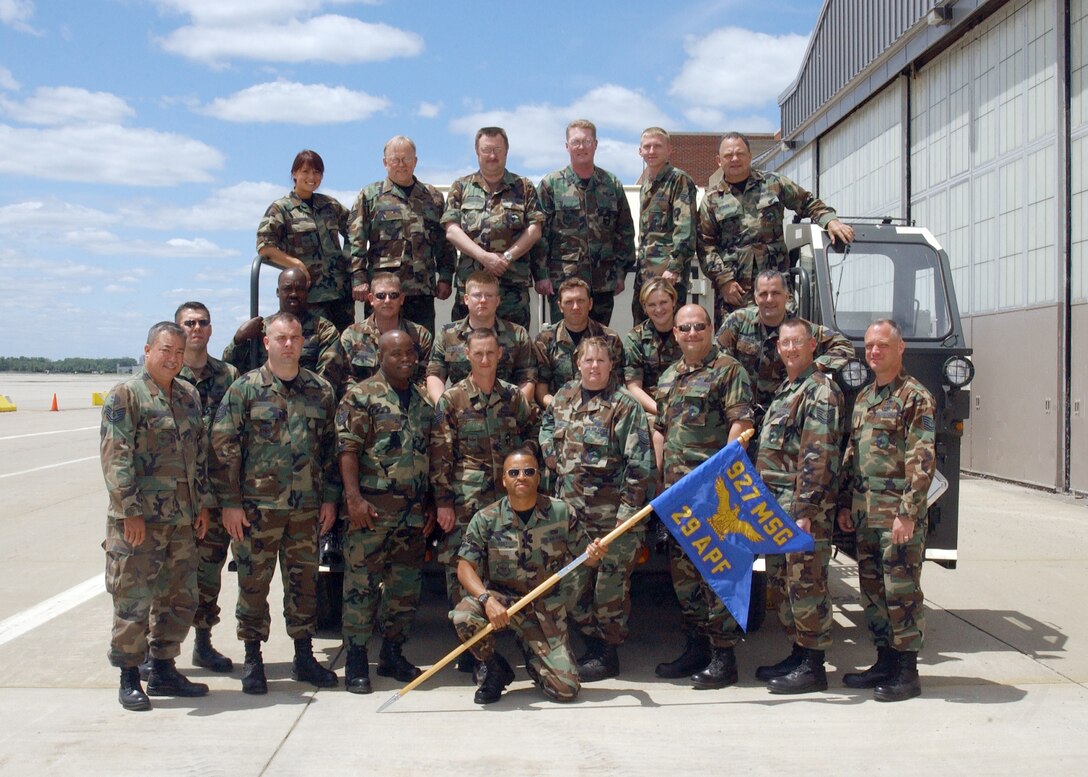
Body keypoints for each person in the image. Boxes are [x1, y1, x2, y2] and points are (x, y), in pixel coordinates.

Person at [211, 312, 341, 694]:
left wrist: (330, 499)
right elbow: (223, 447)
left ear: (303, 343)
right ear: (266, 342)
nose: (288, 344)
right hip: (255, 511)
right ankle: (253, 658)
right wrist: (230, 503)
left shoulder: (321, 391)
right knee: (253, 585)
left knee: (304, 585)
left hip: (305, 510)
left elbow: (332, 451)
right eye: (280, 338)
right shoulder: (245, 389)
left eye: (295, 338)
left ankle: (304, 656)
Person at [100, 321, 211, 711]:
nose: (173, 359)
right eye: (166, 350)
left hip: (181, 520)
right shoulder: (126, 396)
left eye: (179, 353)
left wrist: (201, 507)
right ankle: (130, 676)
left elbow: (198, 458)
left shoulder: (188, 396)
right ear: (147, 351)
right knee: (133, 600)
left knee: (180, 598)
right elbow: (117, 459)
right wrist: (130, 512)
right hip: (140, 524)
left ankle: (164, 668)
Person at [450, 447, 607, 704]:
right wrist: (486, 600)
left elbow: (586, 558)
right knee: (464, 615)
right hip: (502, 602)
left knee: (566, 689)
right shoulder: (486, 519)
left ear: (538, 477)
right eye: (513, 472)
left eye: (528, 471)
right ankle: (494, 668)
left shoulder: (562, 513)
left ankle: (535, 656)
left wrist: (595, 552)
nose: (521, 477)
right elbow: (464, 567)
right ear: (504, 480)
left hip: (544, 607)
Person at [540, 338, 655, 681]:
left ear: (610, 365)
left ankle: (607, 653)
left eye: (600, 361)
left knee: (609, 591)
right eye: (587, 360)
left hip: (612, 521)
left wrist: (623, 523)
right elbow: (547, 428)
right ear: (578, 363)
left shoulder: (624, 406)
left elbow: (639, 468)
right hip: (570, 519)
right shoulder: (563, 398)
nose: (593, 366)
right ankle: (589, 641)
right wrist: (550, 453)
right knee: (571, 588)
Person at [652, 304, 754, 689]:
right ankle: (696, 648)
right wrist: (660, 486)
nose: (692, 333)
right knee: (685, 577)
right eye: (685, 328)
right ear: (674, 334)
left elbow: (740, 428)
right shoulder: (668, 378)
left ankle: (724, 658)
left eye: (699, 326)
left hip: (713, 496)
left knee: (717, 575)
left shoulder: (729, 371)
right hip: (678, 498)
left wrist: (719, 485)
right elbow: (661, 431)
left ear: (711, 329)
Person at [837, 319, 936, 702]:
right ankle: (884, 660)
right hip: (865, 514)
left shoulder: (915, 397)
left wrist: (908, 513)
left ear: (900, 348)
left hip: (897, 514)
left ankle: (907, 671)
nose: (874, 352)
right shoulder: (864, 398)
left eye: (882, 345)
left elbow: (922, 460)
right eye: (869, 346)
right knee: (874, 592)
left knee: (901, 591)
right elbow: (852, 455)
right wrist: (846, 502)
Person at [336, 331, 434, 695]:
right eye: (396, 353)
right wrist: (353, 498)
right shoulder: (361, 396)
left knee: (404, 588)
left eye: (410, 352)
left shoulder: (423, 400)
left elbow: (432, 453)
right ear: (381, 356)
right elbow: (348, 449)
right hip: (371, 511)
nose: (405, 359)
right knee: (360, 587)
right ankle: (357, 658)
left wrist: (430, 503)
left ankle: (392, 653)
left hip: (411, 513)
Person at [753, 319, 844, 694]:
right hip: (777, 507)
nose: (790, 349)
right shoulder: (787, 389)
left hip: (802, 508)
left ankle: (813, 665)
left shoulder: (819, 391)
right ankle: (797, 651)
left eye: (797, 343)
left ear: (811, 347)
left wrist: (805, 509)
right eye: (785, 343)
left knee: (807, 584)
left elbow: (816, 454)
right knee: (783, 583)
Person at [430, 328, 534, 617]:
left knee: (505, 564)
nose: (485, 359)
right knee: (462, 564)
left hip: (508, 499)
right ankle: (468, 644)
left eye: (490, 352)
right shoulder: (451, 400)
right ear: (467, 355)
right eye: (478, 353)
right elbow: (440, 453)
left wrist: (521, 460)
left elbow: (534, 431)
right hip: (466, 500)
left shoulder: (513, 397)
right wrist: (443, 501)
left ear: (500, 353)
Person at [698, 132, 855, 323]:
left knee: (786, 339)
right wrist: (724, 281)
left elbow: (806, 202)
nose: (735, 159)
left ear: (749, 155)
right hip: (736, 292)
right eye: (728, 155)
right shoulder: (711, 200)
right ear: (718, 161)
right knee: (737, 345)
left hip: (776, 286)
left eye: (740, 153)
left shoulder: (774, 183)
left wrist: (830, 221)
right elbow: (705, 246)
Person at [175, 302, 240, 674]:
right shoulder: (167, 372)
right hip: (177, 497)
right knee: (168, 575)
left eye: (202, 323)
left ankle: (202, 643)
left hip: (216, 495)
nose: (196, 328)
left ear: (210, 330)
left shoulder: (228, 375)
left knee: (208, 574)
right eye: (189, 323)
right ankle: (158, 651)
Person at [716, 269, 854, 428]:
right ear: (755, 297)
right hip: (740, 416)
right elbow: (719, 362)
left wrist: (814, 368)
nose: (769, 300)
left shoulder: (799, 328)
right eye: (763, 294)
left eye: (775, 293)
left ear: (787, 296)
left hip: (783, 418)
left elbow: (844, 345)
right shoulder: (737, 322)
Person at [442, 126, 546, 328]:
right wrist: (484, 257)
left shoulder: (523, 186)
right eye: (486, 150)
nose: (492, 156)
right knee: (467, 347)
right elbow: (452, 230)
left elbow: (535, 230)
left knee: (514, 347)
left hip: (512, 286)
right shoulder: (461, 187)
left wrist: (506, 258)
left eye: (497, 150)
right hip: (471, 287)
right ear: (477, 152)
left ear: (506, 151)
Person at [349, 135, 455, 333]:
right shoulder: (370, 195)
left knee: (421, 347)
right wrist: (359, 278)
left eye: (406, 159)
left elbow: (444, 241)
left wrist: (446, 277)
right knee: (380, 344)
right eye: (395, 160)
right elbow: (356, 239)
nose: (401, 165)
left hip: (421, 289)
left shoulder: (433, 197)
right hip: (384, 292)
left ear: (415, 161)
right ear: (385, 162)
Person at [537, 119, 635, 326]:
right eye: (576, 142)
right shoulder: (551, 184)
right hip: (563, 284)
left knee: (600, 343)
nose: (581, 147)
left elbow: (624, 230)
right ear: (567, 146)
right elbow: (539, 234)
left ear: (596, 144)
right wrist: (541, 275)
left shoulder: (611, 184)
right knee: (564, 341)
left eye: (587, 141)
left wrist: (620, 273)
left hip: (603, 282)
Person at [257, 149, 354, 331]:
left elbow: (355, 230)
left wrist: (347, 258)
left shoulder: (330, 205)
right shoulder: (281, 209)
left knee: (344, 349)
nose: (312, 177)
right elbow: (265, 247)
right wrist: (296, 264)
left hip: (340, 294)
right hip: (308, 296)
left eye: (317, 172)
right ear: (294, 173)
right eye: (305, 172)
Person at [632, 127, 718, 323]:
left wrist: (674, 267)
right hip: (645, 274)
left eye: (657, 146)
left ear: (669, 150)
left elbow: (686, 228)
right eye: (647, 147)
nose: (652, 151)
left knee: (670, 328)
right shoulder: (646, 186)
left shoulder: (678, 180)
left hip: (667, 274)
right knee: (642, 328)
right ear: (640, 152)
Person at [223, 267, 345, 390]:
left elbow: (328, 379)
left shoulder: (324, 330)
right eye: (287, 289)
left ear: (307, 292)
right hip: (263, 400)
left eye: (299, 289)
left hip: (308, 401)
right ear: (278, 292)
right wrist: (238, 339)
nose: (293, 294)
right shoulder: (261, 329)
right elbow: (228, 372)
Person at [425, 270, 536, 404]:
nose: (483, 301)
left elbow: (527, 379)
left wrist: (514, 410)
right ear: (466, 299)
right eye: (477, 295)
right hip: (460, 410)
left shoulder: (518, 334)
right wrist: (444, 408)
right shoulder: (448, 334)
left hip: (505, 412)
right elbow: (435, 374)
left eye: (489, 295)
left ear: (498, 300)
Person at [533, 278, 624, 409]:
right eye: (569, 302)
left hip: (601, 413)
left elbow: (616, 388)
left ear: (590, 304)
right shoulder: (545, 340)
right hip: (559, 412)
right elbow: (542, 393)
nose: (575, 307)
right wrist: (565, 410)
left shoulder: (609, 339)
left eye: (581, 301)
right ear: (560, 306)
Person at [340, 272, 432, 391]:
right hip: (364, 404)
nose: (387, 301)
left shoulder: (420, 335)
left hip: (408, 404)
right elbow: (346, 378)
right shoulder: (352, 335)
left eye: (393, 295)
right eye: (381, 295)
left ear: (402, 299)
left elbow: (426, 378)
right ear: (371, 299)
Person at [622, 278, 682, 419]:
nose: (659, 309)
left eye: (663, 302)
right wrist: (661, 412)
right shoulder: (635, 338)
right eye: (652, 305)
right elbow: (634, 387)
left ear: (673, 301)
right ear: (644, 308)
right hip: (650, 409)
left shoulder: (687, 331)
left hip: (686, 406)